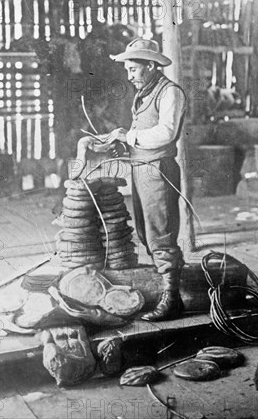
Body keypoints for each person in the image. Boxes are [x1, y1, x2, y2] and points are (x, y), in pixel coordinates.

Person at [101, 38, 187, 322]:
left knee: (160, 233)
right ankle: (170, 288)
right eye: (127, 70)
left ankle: (172, 300)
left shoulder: (170, 93)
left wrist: (130, 136)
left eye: (134, 69)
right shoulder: (145, 93)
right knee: (145, 231)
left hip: (158, 170)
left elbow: (166, 133)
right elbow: (143, 134)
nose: (129, 76)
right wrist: (124, 143)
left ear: (150, 66)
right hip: (141, 168)